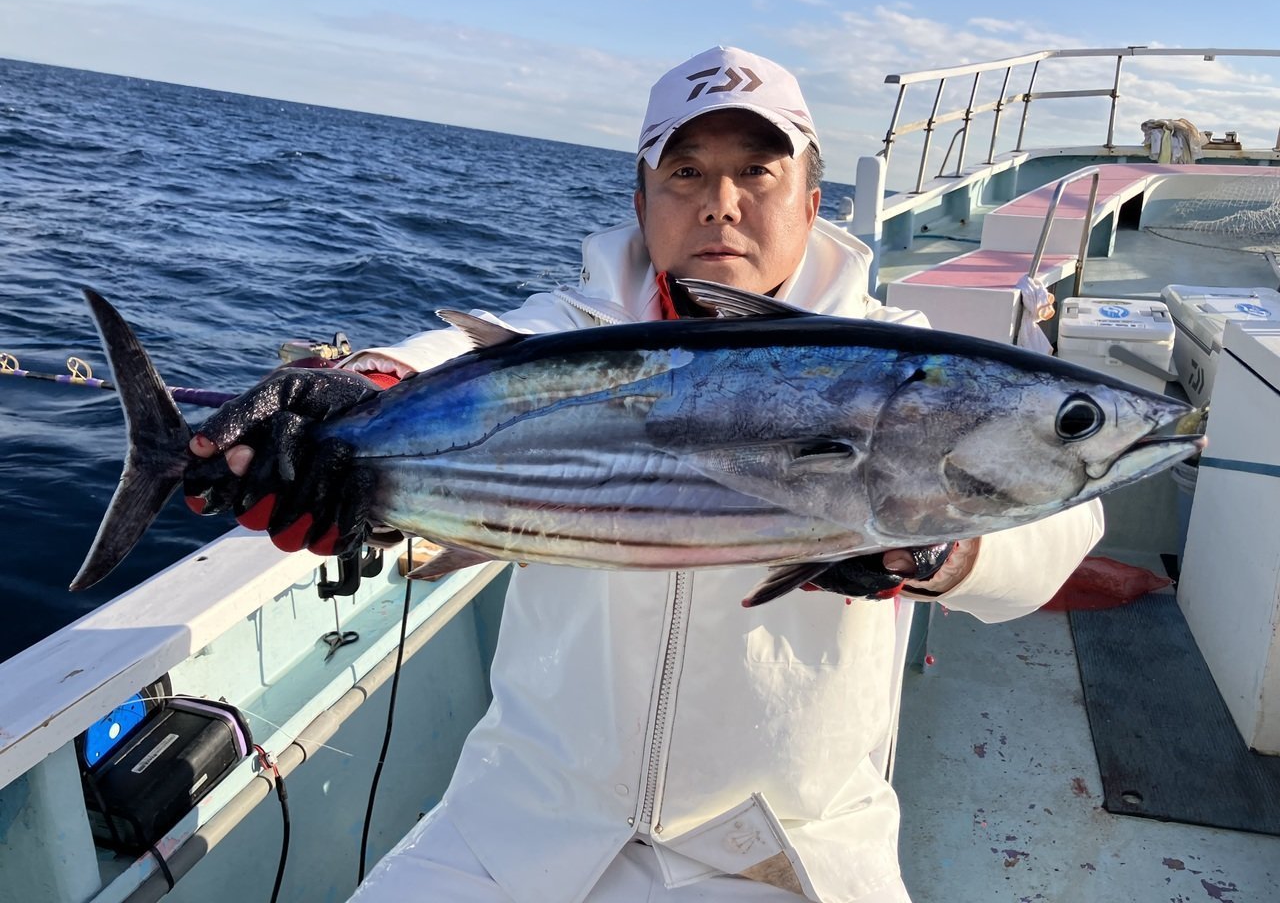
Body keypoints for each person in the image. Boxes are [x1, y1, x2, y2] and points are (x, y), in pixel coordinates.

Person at [185, 46, 1104, 902]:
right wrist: (349, 395)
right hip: (520, 817)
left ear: (813, 201)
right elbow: (456, 367)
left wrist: (941, 551)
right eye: (685, 173)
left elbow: (1063, 528)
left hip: (795, 844)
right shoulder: (571, 332)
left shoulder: (910, 364)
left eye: (757, 172)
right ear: (642, 201)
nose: (720, 204)